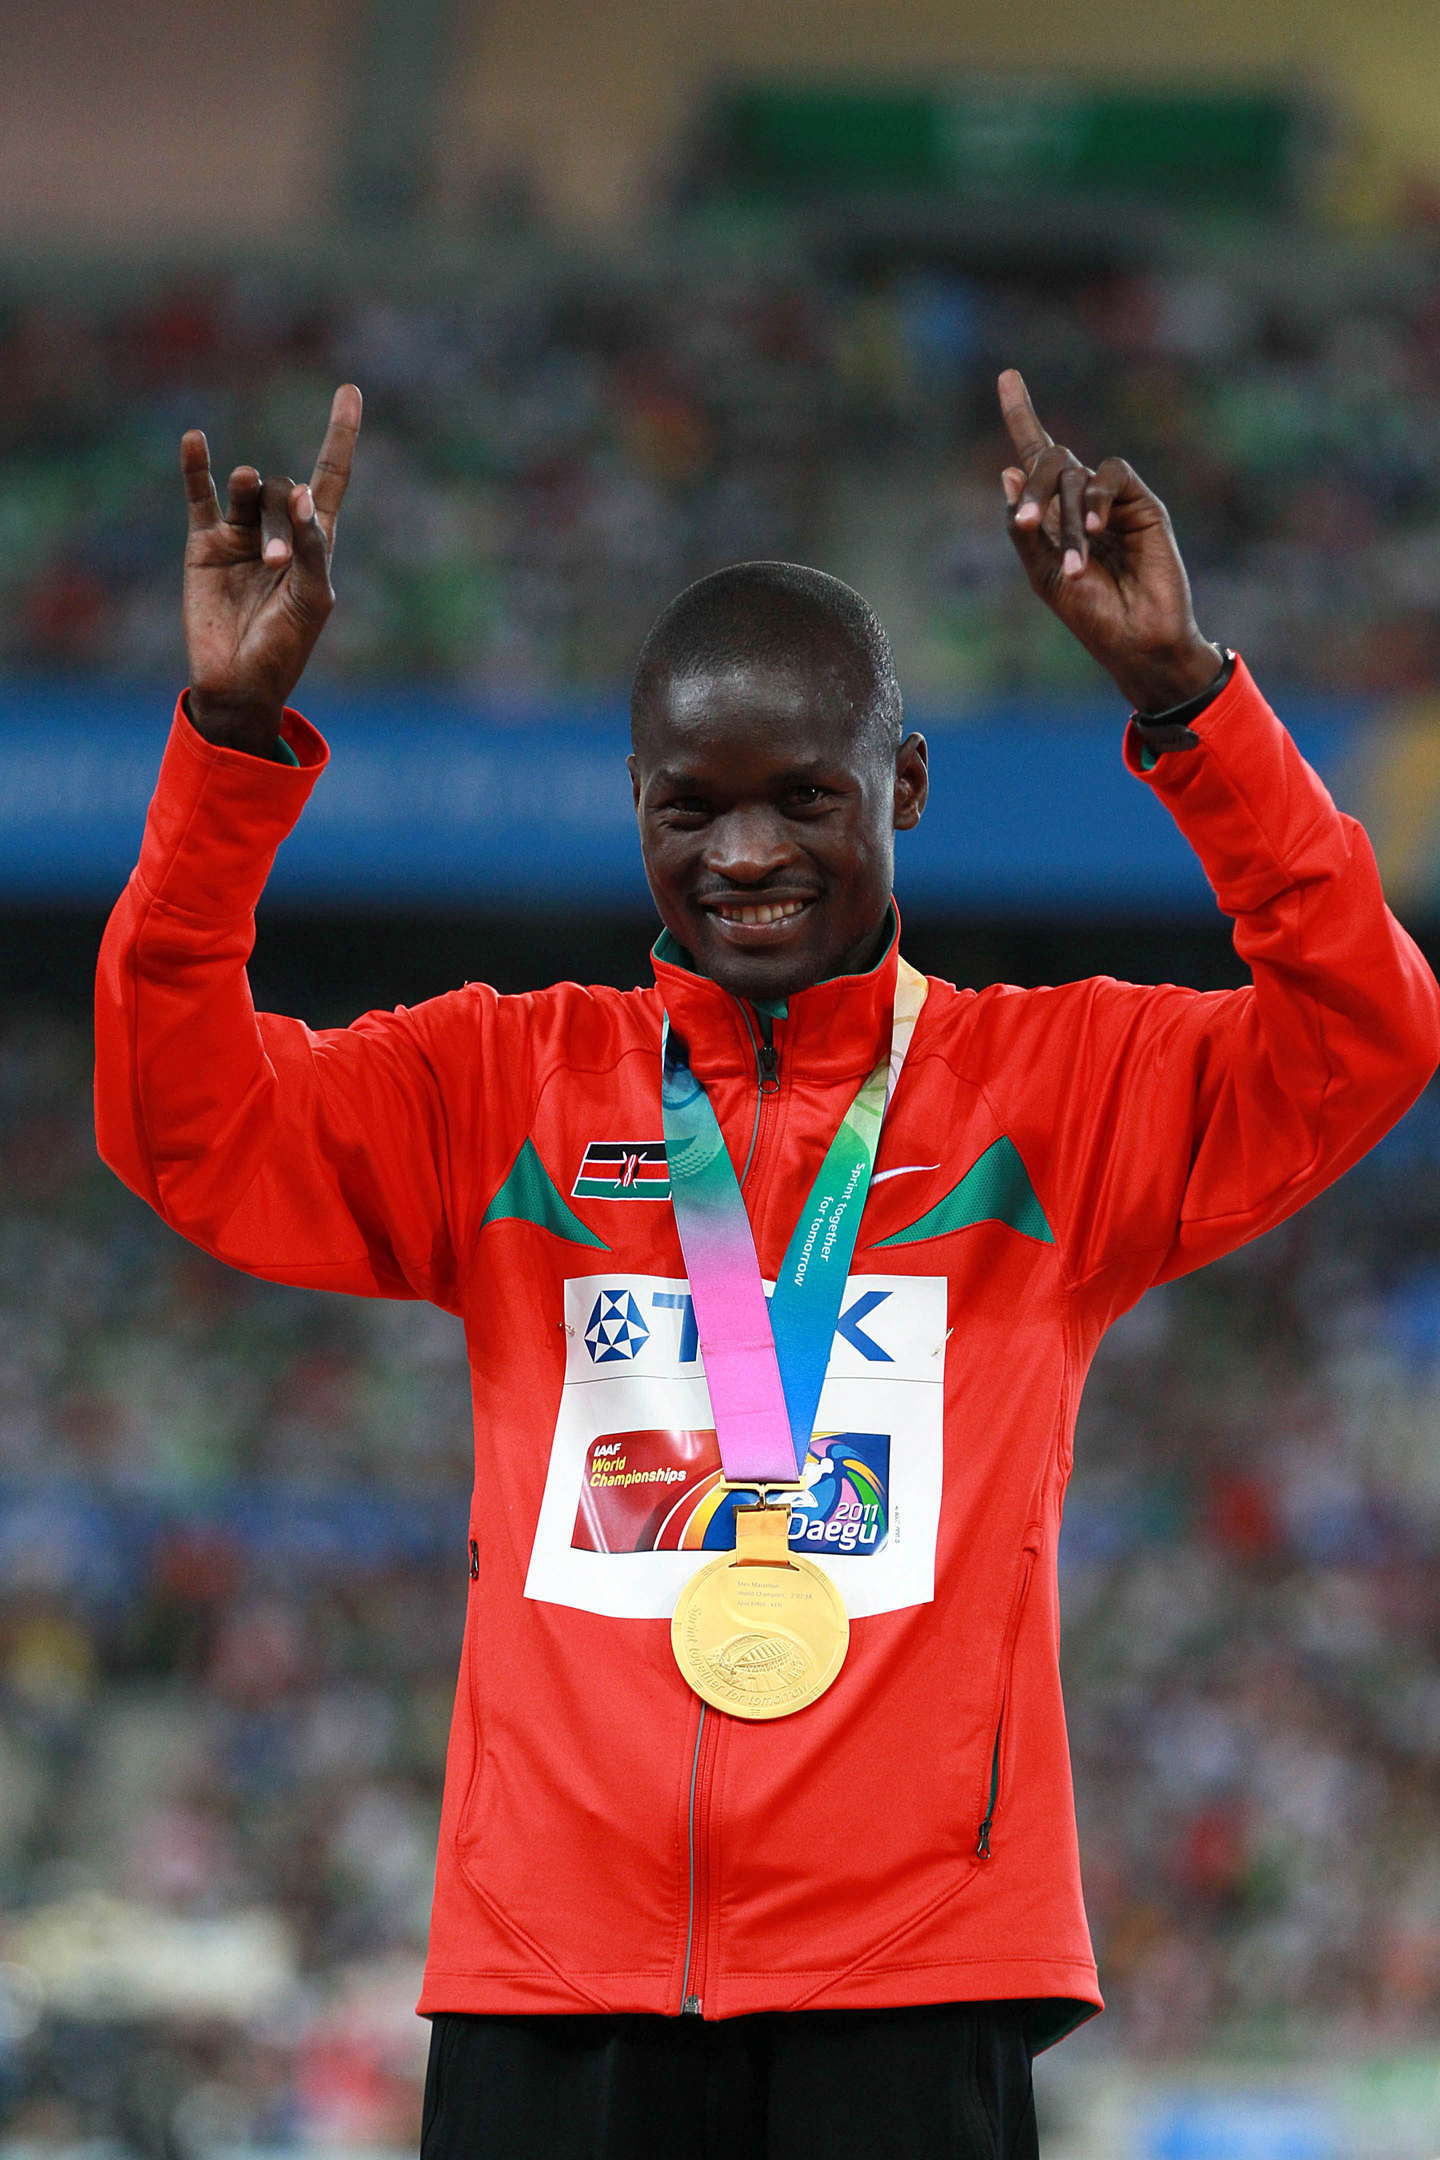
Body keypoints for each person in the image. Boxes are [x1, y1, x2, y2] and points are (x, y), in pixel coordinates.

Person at [94, 371, 1440, 2160]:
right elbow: (180, 1123)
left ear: (906, 784)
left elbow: (1363, 1036)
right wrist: (225, 745)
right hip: (550, 1985)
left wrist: (1189, 703)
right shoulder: (498, 1084)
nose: (745, 857)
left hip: (913, 1978)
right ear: (634, 802)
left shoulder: (1059, 1095)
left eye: (805, 797)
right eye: (691, 807)